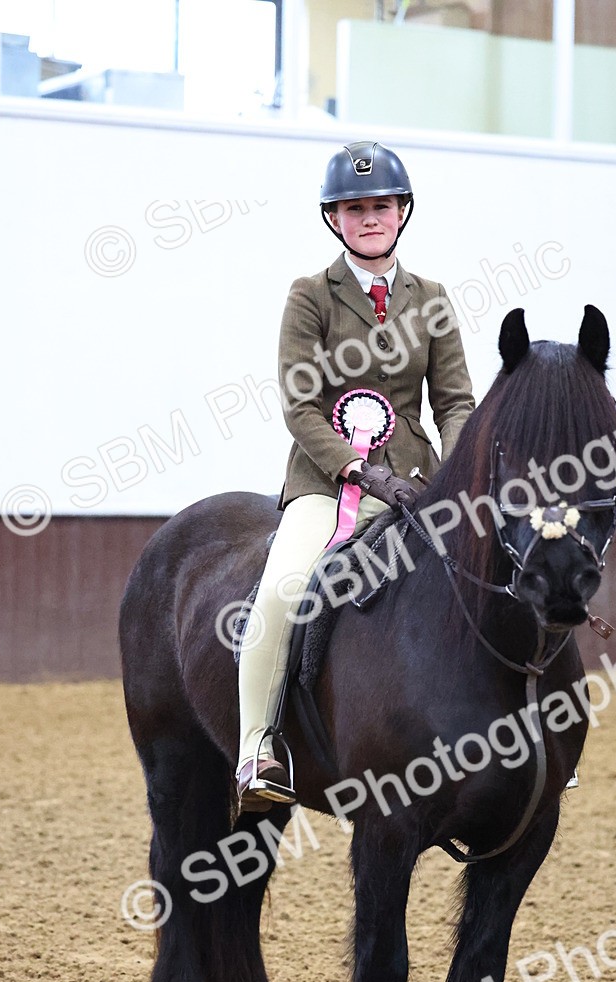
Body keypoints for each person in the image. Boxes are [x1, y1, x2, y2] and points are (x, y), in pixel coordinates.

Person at [236, 140, 475, 810]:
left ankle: (537, 736)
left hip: (421, 485)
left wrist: (453, 474)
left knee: (507, 568)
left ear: (402, 211)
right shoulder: (311, 295)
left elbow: (454, 400)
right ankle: (258, 748)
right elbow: (299, 402)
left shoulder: (431, 299)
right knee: (282, 589)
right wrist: (359, 471)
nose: (368, 217)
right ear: (333, 218)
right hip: (327, 483)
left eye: (380, 205)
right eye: (353, 208)